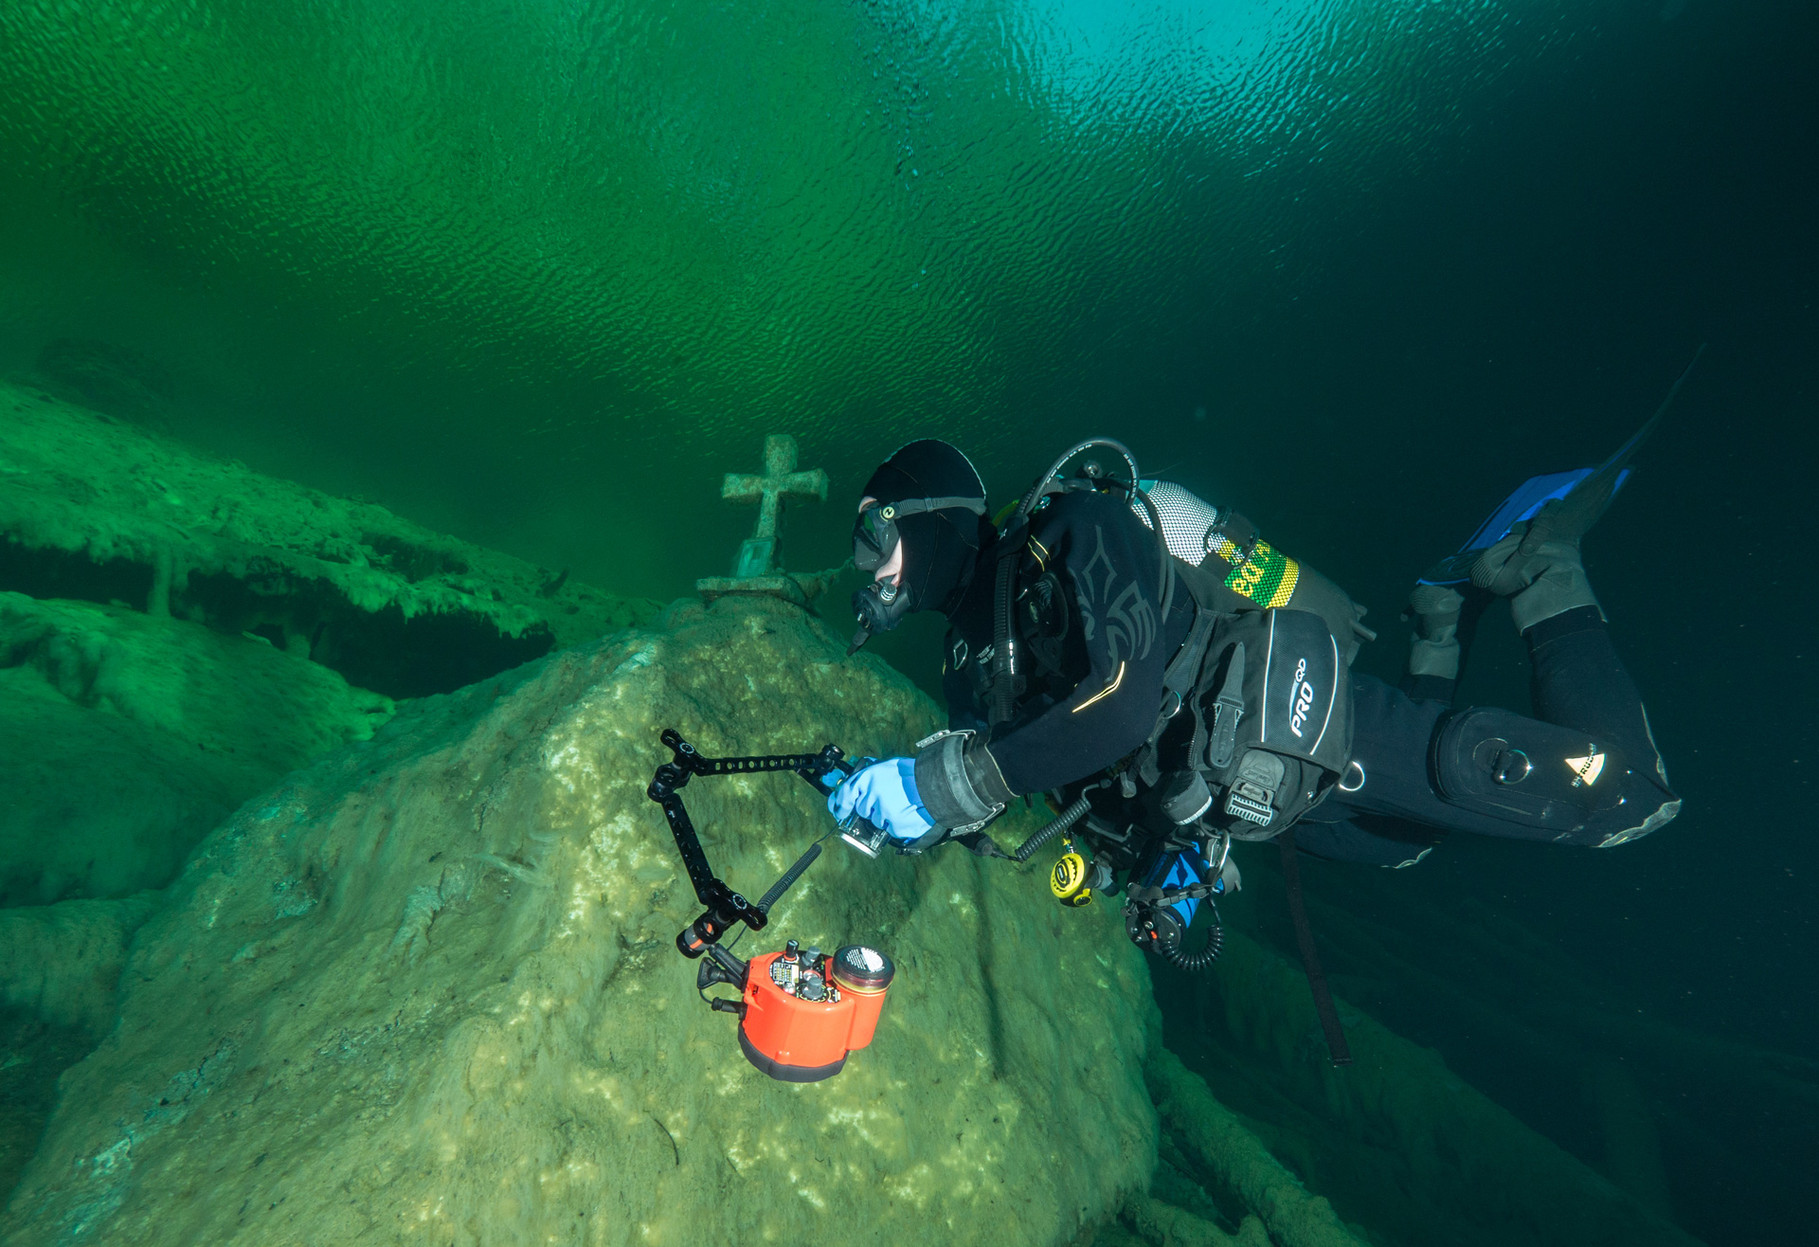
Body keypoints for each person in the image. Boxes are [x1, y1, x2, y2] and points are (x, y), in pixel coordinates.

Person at [825, 436, 1682, 965]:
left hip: (1310, 725)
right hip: (1255, 803)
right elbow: (1058, 775)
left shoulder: (1072, 528)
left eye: (875, 531)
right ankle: (1440, 613)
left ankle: (1538, 564)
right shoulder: (970, 668)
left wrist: (943, 786)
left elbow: (1120, 706)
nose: (869, 566)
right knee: (1407, 846)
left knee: (1625, 799)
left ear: (934, 514)